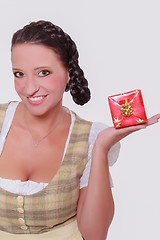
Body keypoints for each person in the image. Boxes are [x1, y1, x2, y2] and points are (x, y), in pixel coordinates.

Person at [0, 20, 159, 240]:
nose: (29, 88)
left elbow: (94, 235)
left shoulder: (89, 138)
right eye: (19, 74)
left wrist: (100, 149)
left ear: (68, 73)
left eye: (43, 72)